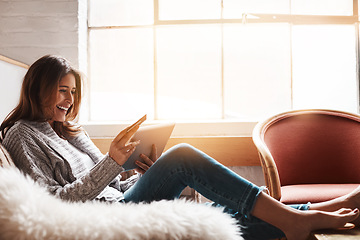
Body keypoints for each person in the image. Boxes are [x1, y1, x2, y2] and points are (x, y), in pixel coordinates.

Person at [0, 55, 359, 240]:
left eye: (73, 92)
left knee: (224, 218)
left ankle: (314, 213)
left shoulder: (70, 132)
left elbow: (110, 182)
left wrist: (139, 172)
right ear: (38, 87)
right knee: (183, 155)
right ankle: (301, 219)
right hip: (102, 217)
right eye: (62, 90)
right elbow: (54, 204)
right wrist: (112, 161)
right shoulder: (20, 134)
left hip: (118, 200)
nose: (69, 99)